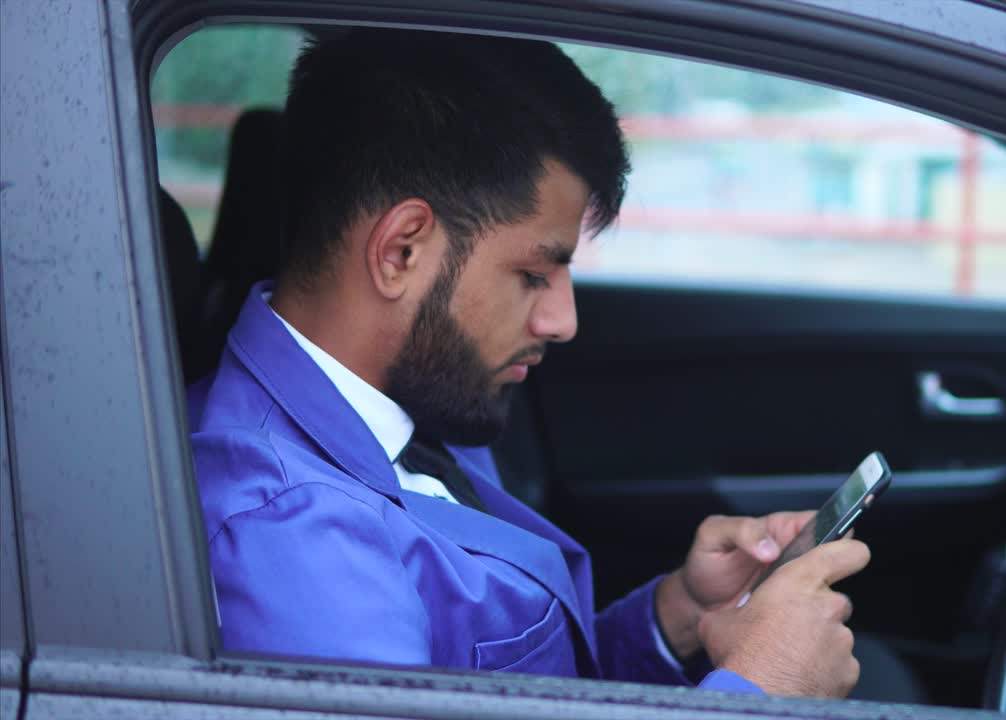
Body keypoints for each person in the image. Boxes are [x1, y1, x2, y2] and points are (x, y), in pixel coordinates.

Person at [190, 28, 870, 697]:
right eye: (535, 273)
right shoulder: (292, 539)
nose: (563, 322)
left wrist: (680, 617)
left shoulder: (410, 399)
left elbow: (511, 690)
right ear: (401, 251)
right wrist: (761, 692)